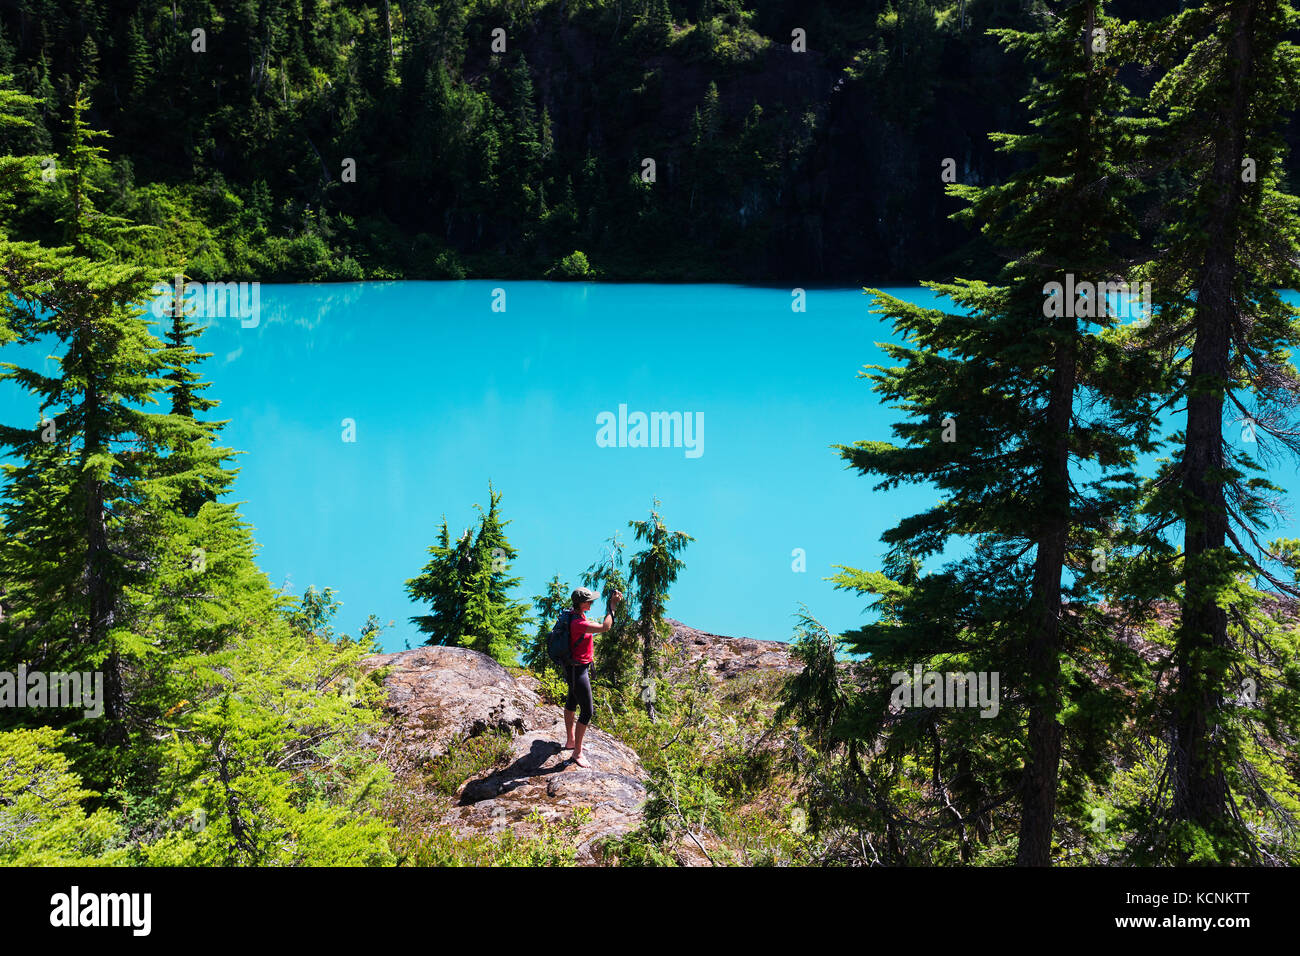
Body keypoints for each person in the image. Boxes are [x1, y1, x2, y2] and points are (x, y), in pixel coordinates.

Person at [563, 585, 622, 768]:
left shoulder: (575, 615)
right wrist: (612, 607)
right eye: (590, 600)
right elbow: (606, 627)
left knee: (572, 701)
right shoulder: (578, 623)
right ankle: (577, 753)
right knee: (587, 711)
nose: (592, 602)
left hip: (573, 667)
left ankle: (571, 741)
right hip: (578, 670)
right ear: (582, 604)